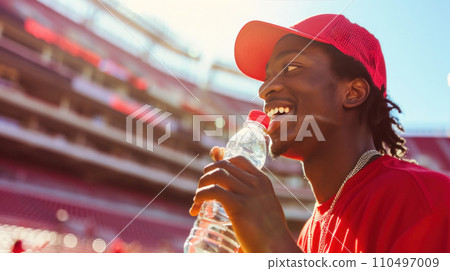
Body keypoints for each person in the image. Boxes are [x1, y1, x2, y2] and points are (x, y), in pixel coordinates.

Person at [189, 14, 450, 253]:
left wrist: (275, 247)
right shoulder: (306, 236)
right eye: (267, 77)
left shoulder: (429, 200)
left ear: (353, 93)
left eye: (291, 67)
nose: (265, 89)